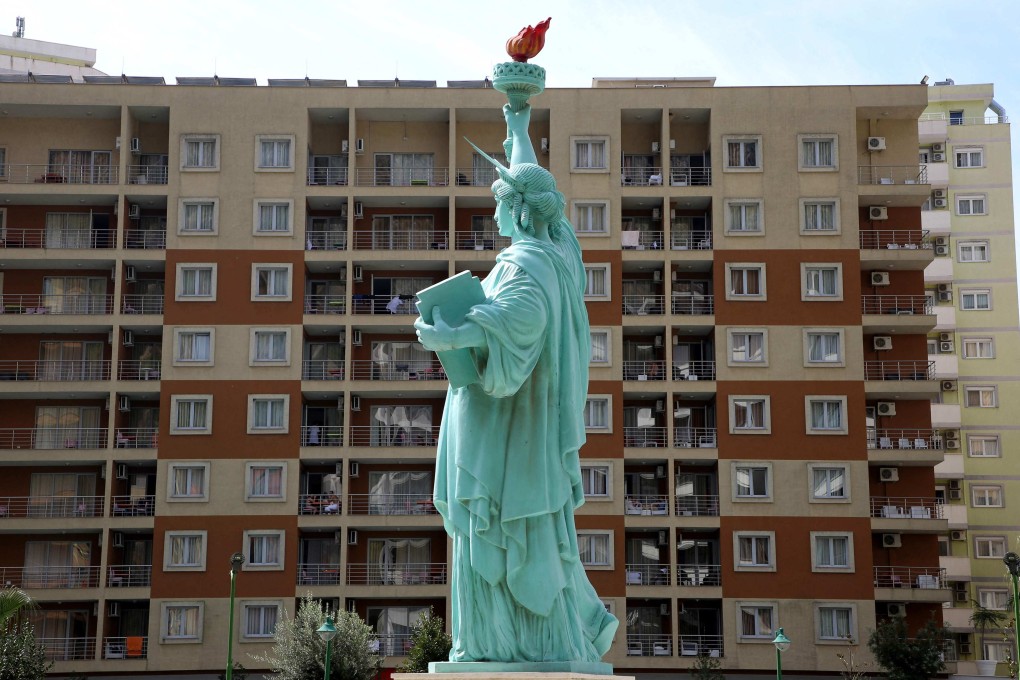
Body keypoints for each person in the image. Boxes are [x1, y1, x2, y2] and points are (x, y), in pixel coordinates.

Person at [414, 102, 617, 663]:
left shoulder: (528, 267)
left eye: (502, 204)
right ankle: (504, 640)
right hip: (504, 443)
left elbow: (513, 325)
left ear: (522, 214)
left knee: (506, 543)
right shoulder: (557, 255)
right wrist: (520, 133)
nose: (496, 213)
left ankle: (503, 645)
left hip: (505, 451)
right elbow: (540, 195)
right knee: (521, 543)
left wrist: (447, 335)